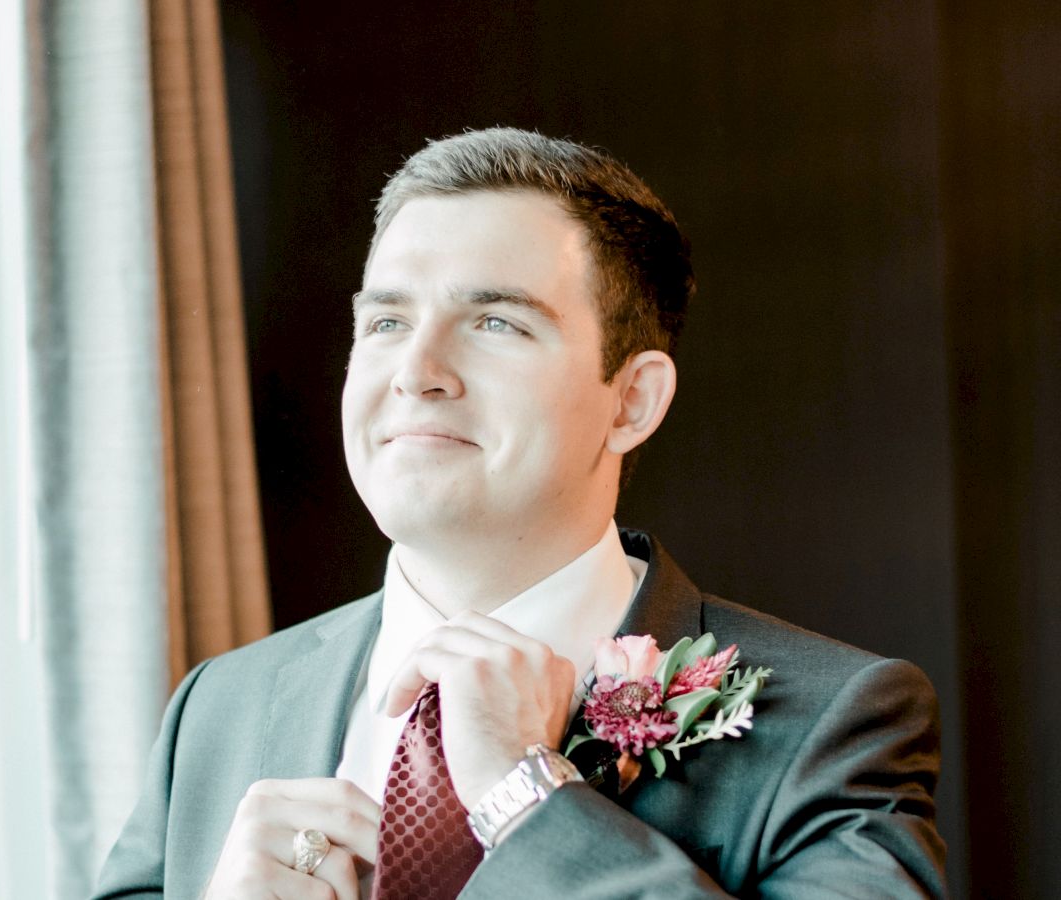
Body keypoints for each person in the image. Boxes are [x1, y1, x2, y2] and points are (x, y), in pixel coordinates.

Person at [93, 128, 947, 899]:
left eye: (495, 322)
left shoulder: (835, 721)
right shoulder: (219, 705)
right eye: (386, 320)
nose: (417, 371)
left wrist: (526, 797)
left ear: (632, 401)